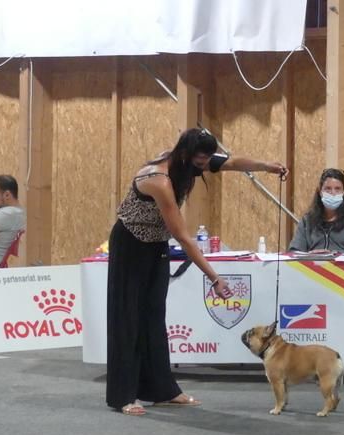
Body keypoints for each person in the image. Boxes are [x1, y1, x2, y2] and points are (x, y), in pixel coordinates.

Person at [106, 128, 288, 416]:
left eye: (205, 162)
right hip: (131, 244)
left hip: (155, 243)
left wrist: (266, 166)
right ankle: (123, 395)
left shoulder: (191, 162)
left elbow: (231, 162)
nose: (203, 168)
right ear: (185, 155)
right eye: (200, 163)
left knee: (154, 318)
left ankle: (163, 391)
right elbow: (184, 236)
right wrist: (214, 278)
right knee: (128, 317)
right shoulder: (159, 180)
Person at [288, 168, 344, 253]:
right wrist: (310, 256)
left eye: (337, 189)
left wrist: (335, 255)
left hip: (342, 266)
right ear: (320, 191)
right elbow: (294, 251)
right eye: (328, 188)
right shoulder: (307, 220)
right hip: (312, 265)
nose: (333, 193)